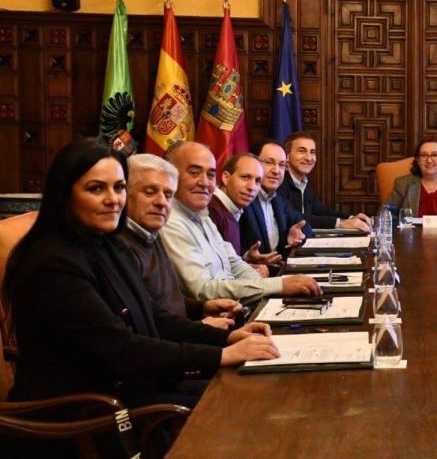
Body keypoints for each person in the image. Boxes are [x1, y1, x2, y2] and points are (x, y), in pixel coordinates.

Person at [3, 139, 280, 411]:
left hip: (136, 388)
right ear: (64, 194)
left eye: (119, 187)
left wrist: (227, 338)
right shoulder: (51, 263)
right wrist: (221, 355)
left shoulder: (106, 243)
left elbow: (152, 315)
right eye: (96, 188)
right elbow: (121, 348)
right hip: (85, 415)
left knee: (263, 390)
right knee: (247, 404)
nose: (113, 199)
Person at [161, 141, 321, 303]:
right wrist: (277, 285)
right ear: (169, 177)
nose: (205, 183)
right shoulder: (170, 222)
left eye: (210, 175)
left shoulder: (201, 215)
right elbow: (203, 290)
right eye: (194, 173)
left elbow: (235, 263)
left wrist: (265, 287)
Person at [118, 153, 240, 330]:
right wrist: (199, 328)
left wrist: (201, 308)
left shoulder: (151, 233)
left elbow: (162, 303)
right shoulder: (119, 246)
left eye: (168, 195)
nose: (161, 202)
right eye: (150, 192)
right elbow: (142, 329)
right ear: (124, 194)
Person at [280, 131, 371, 232]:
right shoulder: (280, 183)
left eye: (312, 152)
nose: (309, 158)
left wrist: (351, 218)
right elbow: (295, 217)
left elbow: (321, 211)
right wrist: (340, 223)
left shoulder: (303, 183)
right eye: (302, 151)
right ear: (287, 156)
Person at [209, 152, 282, 274]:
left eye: (258, 181)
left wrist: (246, 258)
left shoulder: (232, 210)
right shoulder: (211, 210)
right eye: (245, 177)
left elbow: (225, 261)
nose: (252, 187)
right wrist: (250, 273)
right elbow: (214, 275)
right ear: (226, 178)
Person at [240, 140, 313, 259]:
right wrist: (247, 258)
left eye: (282, 165)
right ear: (253, 163)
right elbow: (228, 247)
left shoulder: (277, 198)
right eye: (269, 162)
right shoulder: (244, 197)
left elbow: (304, 224)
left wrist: (296, 232)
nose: (276, 171)